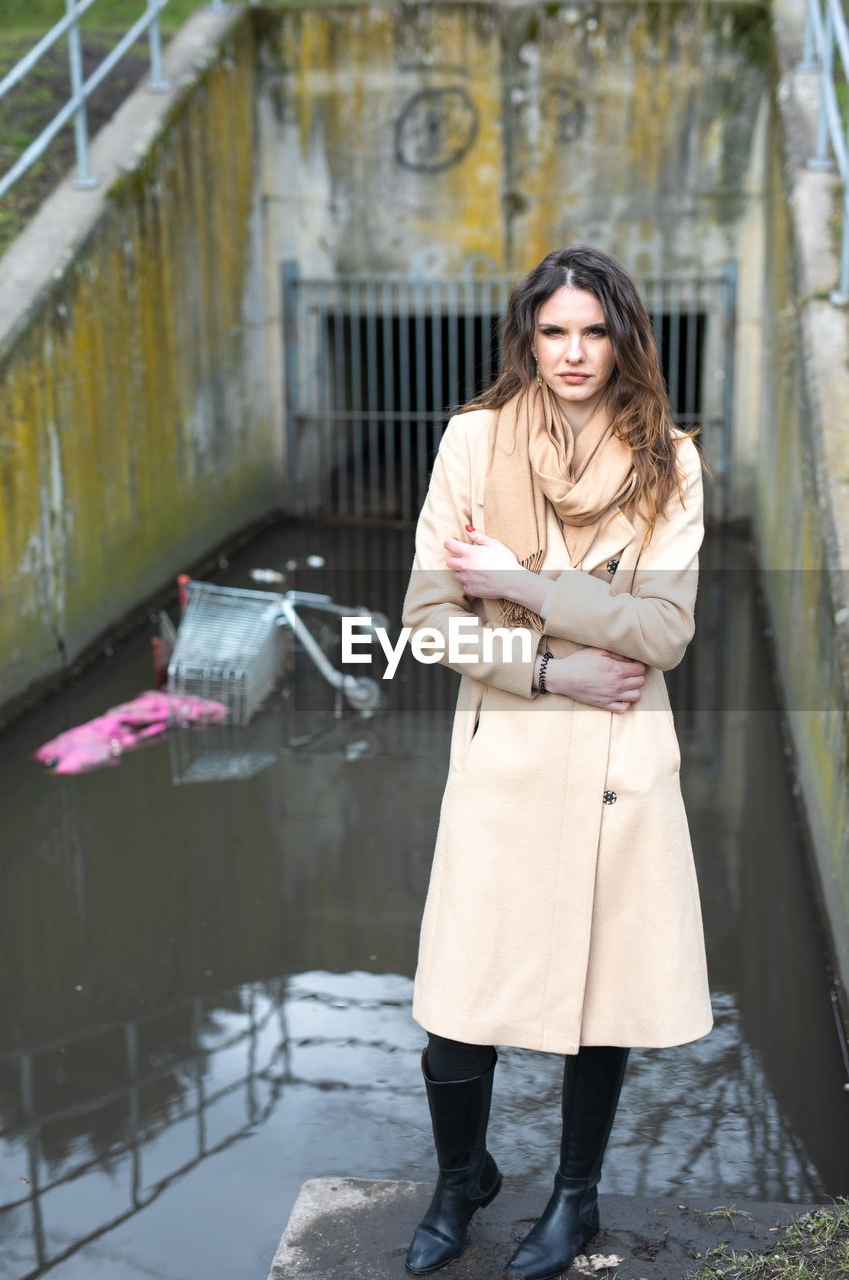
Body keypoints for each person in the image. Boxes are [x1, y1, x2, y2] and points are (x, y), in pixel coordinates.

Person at [400, 244, 713, 1280]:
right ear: (526, 338)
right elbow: (428, 622)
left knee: (597, 994)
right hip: (507, 751)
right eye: (554, 331)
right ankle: (461, 1180)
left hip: (621, 762)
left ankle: (571, 1198)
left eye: (593, 331)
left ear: (622, 337)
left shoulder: (670, 460)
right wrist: (549, 669)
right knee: (460, 996)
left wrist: (525, 585)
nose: (574, 353)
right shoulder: (472, 442)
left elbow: (664, 630)